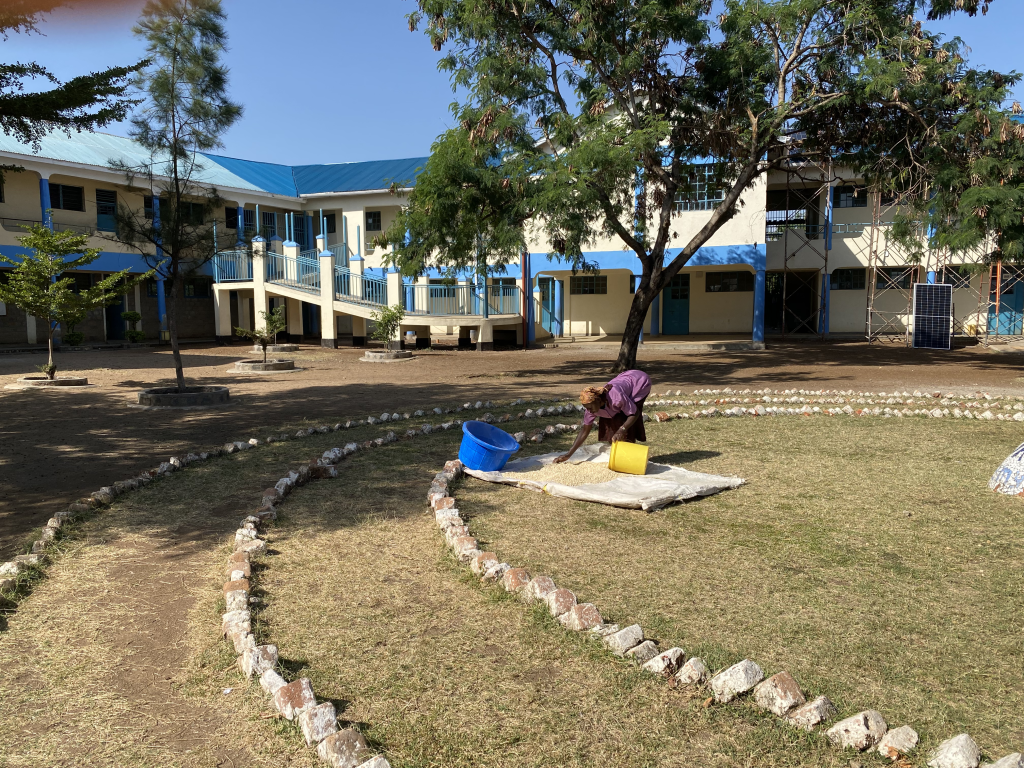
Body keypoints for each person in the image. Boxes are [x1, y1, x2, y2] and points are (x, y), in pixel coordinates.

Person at [553, 369, 651, 463]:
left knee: (624, 420)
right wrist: (568, 454)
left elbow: (634, 413)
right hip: (624, 380)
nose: (589, 411)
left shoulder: (616, 398)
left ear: (599, 400)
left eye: (590, 408)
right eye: (586, 408)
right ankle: (617, 451)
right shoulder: (591, 408)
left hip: (639, 382)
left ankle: (629, 453)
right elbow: (584, 431)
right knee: (610, 422)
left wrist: (621, 430)